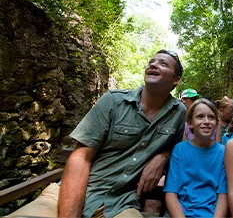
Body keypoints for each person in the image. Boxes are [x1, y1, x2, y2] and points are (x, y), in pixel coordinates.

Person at [9, 49, 187, 218]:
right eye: (151, 62)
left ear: (175, 80)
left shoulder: (178, 112)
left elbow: (178, 147)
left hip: (121, 202)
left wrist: (162, 157)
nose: (153, 65)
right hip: (71, 193)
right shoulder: (113, 101)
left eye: (162, 63)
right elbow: (81, 157)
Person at [164, 98, 228, 217]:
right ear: (190, 123)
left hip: (211, 213)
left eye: (211, 117)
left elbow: (223, 195)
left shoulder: (223, 152)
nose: (206, 121)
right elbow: (171, 192)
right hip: (180, 213)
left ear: (217, 123)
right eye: (200, 117)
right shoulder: (180, 149)